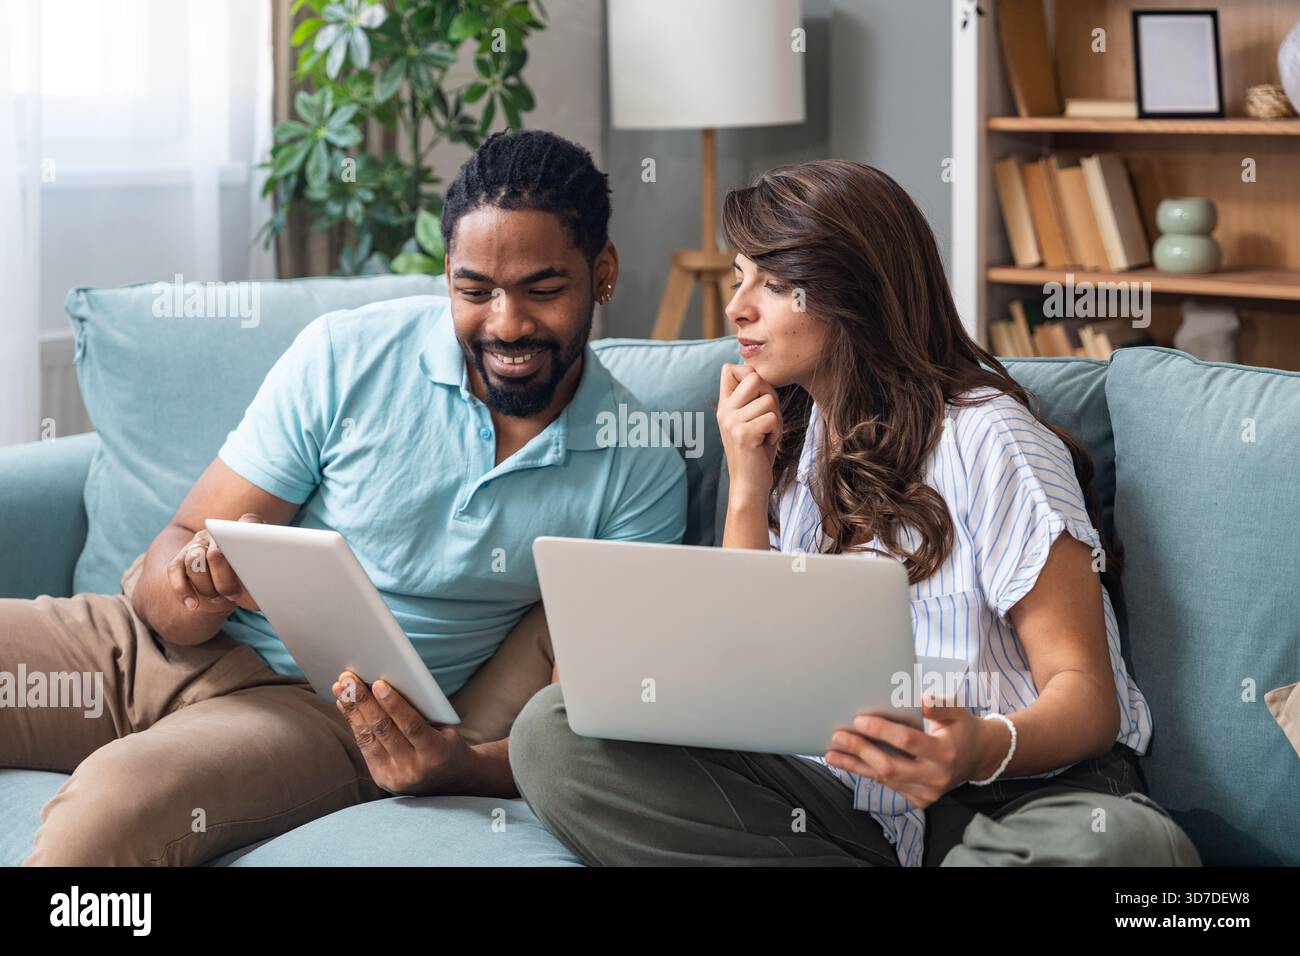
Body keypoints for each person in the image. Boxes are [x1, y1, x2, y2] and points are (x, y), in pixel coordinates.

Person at [1, 129, 687, 866]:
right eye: (474, 289)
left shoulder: (637, 462)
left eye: (543, 290)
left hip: (315, 713)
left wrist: (455, 763)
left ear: (602, 273)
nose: (506, 324)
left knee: (105, 816)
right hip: (136, 648)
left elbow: (584, 738)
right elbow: (176, 549)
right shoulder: (347, 355)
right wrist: (195, 580)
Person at [510, 159, 1202, 867]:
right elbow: (741, 685)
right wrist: (747, 484)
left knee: (1126, 846)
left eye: (773, 284)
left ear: (855, 293)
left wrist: (974, 750)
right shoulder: (786, 443)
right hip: (859, 820)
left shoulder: (991, 439)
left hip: (1021, 799)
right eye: (740, 276)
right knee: (555, 733)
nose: (738, 307)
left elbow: (1087, 699)